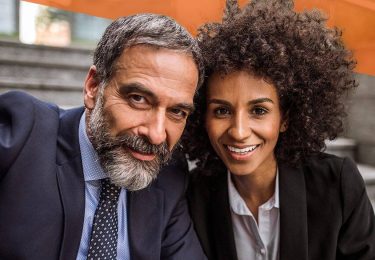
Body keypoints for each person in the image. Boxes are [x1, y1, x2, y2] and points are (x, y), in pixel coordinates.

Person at [0, 14, 207, 260]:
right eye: (137, 99)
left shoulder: (170, 175)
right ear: (93, 87)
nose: (155, 134)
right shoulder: (21, 133)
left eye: (176, 111)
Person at [184, 0, 375, 259]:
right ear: (201, 116)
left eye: (259, 111)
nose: (239, 132)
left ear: (285, 118)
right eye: (222, 110)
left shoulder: (336, 185)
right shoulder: (193, 196)